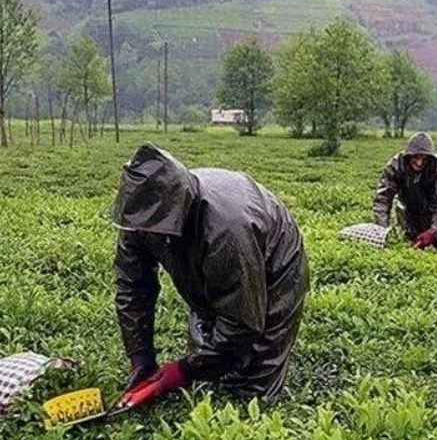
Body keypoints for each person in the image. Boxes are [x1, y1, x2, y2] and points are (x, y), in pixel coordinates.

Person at [110, 143, 309, 408]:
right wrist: (141, 358)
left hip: (276, 259)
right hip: (222, 248)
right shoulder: (138, 215)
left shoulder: (227, 231)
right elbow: (132, 288)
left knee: (252, 381)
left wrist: (181, 371)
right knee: (210, 347)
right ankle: (209, 360)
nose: (148, 235)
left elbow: (242, 322)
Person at [372, 132, 437, 251]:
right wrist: (382, 228)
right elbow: (383, 199)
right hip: (410, 213)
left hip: (436, 213)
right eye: (416, 157)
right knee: (412, 247)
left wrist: (433, 232)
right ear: (408, 156)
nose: (420, 163)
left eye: (424, 159)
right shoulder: (396, 166)